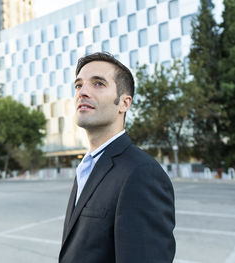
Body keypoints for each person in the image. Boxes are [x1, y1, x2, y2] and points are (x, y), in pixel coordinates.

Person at [58, 52, 176, 263]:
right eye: (78, 85)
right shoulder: (87, 166)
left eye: (98, 84)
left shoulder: (141, 174)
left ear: (124, 103)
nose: (82, 92)